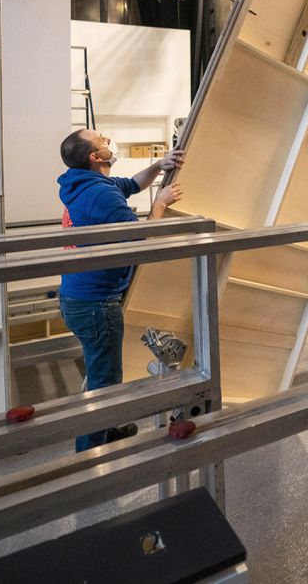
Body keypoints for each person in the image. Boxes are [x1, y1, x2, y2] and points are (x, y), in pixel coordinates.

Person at [57, 129, 184, 450]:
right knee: (104, 382)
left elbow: (133, 184)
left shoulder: (85, 182)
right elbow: (142, 244)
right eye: (102, 141)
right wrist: (159, 206)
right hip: (95, 304)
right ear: (96, 158)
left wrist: (159, 166)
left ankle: (106, 431)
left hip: (77, 296)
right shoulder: (101, 195)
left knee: (103, 372)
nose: (107, 140)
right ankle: (88, 453)